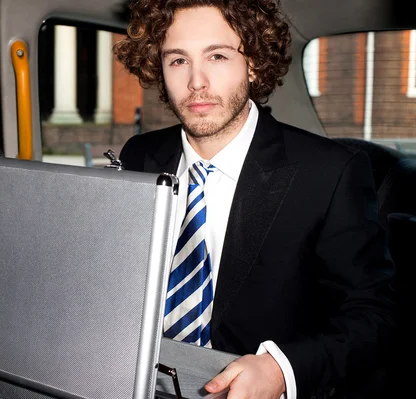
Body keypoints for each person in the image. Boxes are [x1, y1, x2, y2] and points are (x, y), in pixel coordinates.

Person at [113, 1, 396, 398]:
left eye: (217, 56)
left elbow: (375, 316)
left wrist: (283, 370)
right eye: (178, 60)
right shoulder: (138, 155)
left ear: (253, 64)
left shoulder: (330, 173)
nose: (197, 81)